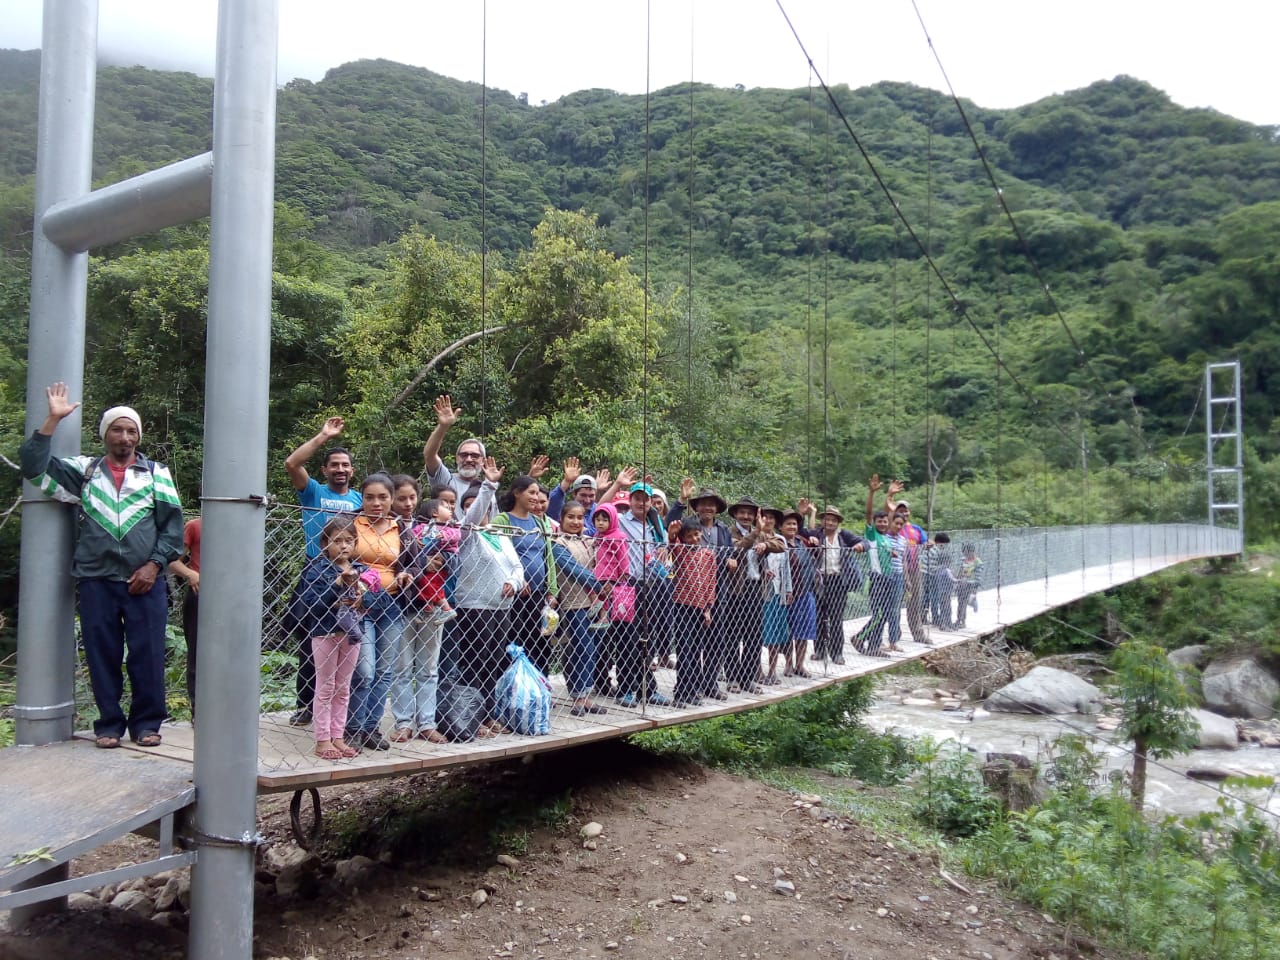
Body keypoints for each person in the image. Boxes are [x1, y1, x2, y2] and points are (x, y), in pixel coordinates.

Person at [20, 383, 184, 749]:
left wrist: (154, 566)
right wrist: (52, 420)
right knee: (101, 653)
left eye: (131, 430)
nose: (124, 436)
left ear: (138, 436)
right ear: (105, 434)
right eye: (117, 429)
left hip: (146, 580)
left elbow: (173, 530)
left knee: (149, 654)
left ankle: (146, 724)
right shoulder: (85, 470)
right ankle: (108, 723)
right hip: (97, 578)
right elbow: (32, 467)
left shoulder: (156, 473)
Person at [283, 416, 363, 725]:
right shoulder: (314, 492)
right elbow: (292, 464)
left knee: (346, 639)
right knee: (310, 639)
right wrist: (323, 436)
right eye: (335, 465)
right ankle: (306, 704)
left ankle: (339, 712)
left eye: (345, 465)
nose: (340, 469)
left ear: (352, 471)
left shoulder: (359, 499)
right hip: (317, 570)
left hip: (350, 572)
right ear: (325, 469)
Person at [452, 457, 525, 739]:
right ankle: (474, 718)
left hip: (501, 608)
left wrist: (513, 582)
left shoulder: (499, 535)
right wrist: (488, 486)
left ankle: (491, 714)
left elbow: (516, 566)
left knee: (495, 662)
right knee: (475, 663)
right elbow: (473, 515)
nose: (477, 511)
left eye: (481, 507)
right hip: (475, 607)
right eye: (469, 507)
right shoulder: (466, 534)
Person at [297, 515, 378, 761]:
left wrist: (363, 598)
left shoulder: (362, 570)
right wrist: (336, 585)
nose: (343, 546)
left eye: (348, 541)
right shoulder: (317, 570)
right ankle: (322, 740)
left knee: (343, 687)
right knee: (325, 686)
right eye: (337, 541)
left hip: (352, 634)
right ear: (325, 544)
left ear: (355, 543)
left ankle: (338, 736)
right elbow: (312, 606)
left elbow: (380, 600)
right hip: (325, 633)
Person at [344, 473, 413, 751]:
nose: (376, 503)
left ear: (391, 499)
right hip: (360, 604)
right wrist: (355, 575)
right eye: (370, 497)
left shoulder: (401, 527)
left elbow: (414, 561)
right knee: (365, 670)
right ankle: (353, 728)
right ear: (362, 498)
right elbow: (337, 555)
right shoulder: (351, 522)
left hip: (392, 603)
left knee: (385, 671)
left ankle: (371, 728)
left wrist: (407, 572)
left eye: (383, 497)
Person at [613, 482, 673, 707]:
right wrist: (616, 485)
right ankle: (626, 688)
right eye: (637, 498)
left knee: (648, 639)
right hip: (629, 585)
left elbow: (663, 549)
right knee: (627, 639)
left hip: (652, 585)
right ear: (630, 500)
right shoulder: (620, 521)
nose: (641, 503)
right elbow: (598, 512)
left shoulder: (654, 524)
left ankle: (648, 689)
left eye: (645, 499)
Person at [494, 476, 559, 676]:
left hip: (539, 595)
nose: (536, 497)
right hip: (514, 595)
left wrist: (552, 590)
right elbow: (496, 554)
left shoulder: (539, 523)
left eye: (538, 493)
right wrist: (517, 579)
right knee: (514, 641)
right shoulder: (502, 521)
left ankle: (540, 688)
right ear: (517, 493)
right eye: (531, 492)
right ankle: (512, 688)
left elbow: (548, 557)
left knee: (541, 643)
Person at [550, 501, 610, 716]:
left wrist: (607, 583)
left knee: (592, 651)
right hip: (574, 604)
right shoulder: (558, 543)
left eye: (580, 517)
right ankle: (577, 696)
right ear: (562, 519)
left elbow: (603, 562)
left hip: (596, 604)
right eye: (571, 517)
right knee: (579, 650)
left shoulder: (588, 540)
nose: (576, 522)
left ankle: (587, 696)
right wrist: (601, 585)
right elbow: (574, 570)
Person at [725, 496, 783, 694]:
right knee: (733, 635)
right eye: (742, 512)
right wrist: (757, 533)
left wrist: (765, 544)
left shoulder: (760, 534)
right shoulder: (729, 532)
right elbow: (738, 549)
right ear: (735, 514)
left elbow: (780, 544)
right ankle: (732, 677)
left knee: (754, 636)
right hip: (735, 590)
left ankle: (747, 678)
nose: (746, 516)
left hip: (755, 588)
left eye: (750, 513)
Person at [854, 476, 907, 658]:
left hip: (889, 579)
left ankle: (874, 647)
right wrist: (872, 493)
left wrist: (890, 496)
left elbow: (890, 515)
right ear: (875, 523)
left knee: (883, 616)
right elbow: (869, 514)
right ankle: (859, 638)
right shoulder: (872, 535)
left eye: (886, 521)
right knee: (879, 615)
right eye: (880, 521)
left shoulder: (885, 538)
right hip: (877, 580)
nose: (883, 523)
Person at [807, 505, 864, 665]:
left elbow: (863, 541)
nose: (830, 522)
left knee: (836, 619)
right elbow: (803, 533)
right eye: (827, 519)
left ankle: (837, 653)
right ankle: (819, 650)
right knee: (819, 617)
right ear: (822, 521)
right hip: (820, 580)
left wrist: (860, 546)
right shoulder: (817, 534)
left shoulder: (844, 535)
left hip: (838, 581)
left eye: (833, 520)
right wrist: (810, 513)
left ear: (838, 522)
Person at [669, 521, 716, 707]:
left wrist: (708, 608)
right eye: (689, 536)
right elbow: (672, 546)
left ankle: (693, 690)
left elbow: (712, 582)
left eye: (697, 534)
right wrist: (672, 536)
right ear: (683, 538)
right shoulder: (681, 552)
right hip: (682, 606)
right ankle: (681, 692)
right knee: (684, 650)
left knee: (696, 650)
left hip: (700, 608)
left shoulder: (709, 555)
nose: (694, 539)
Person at [421, 394, 486, 518]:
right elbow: (429, 455)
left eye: (474, 456)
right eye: (464, 455)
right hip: (446, 536)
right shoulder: (446, 480)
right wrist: (443, 427)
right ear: (457, 459)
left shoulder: (486, 489)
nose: (468, 459)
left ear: (483, 461)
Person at [885, 484, 929, 645]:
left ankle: (918, 634)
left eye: (905, 510)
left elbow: (925, 541)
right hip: (895, 571)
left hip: (914, 569)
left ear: (909, 512)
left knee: (914, 603)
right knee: (894, 603)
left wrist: (929, 544)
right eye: (900, 509)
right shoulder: (893, 525)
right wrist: (889, 496)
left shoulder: (915, 529)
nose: (903, 512)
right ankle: (894, 635)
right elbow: (886, 512)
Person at [169, 514, 201, 715]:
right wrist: (190, 574)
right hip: (200, 593)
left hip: (233, 598)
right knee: (197, 653)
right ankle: (199, 709)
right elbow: (172, 560)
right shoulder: (195, 526)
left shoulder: (245, 527)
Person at [779, 509, 818, 679]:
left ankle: (800, 665)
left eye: (794, 523)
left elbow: (818, 556)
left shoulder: (803, 542)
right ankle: (788, 664)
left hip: (805, 592)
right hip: (786, 594)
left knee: (803, 632)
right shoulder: (779, 543)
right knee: (787, 631)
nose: (792, 527)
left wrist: (815, 544)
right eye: (788, 523)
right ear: (780, 527)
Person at [923, 532, 955, 630]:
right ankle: (936, 619)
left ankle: (936, 619)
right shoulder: (934, 550)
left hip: (933, 574)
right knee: (933, 598)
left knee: (932, 597)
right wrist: (943, 568)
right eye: (943, 544)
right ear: (938, 542)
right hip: (929, 575)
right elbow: (932, 567)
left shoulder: (936, 549)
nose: (944, 546)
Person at [954, 542, 984, 629]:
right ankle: (959, 620)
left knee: (963, 603)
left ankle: (962, 621)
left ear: (971, 552)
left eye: (967, 553)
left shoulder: (978, 562)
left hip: (970, 585)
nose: (965, 555)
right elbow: (960, 570)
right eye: (964, 553)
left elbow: (978, 577)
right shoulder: (963, 559)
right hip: (962, 585)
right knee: (960, 603)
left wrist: (975, 591)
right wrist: (957, 580)